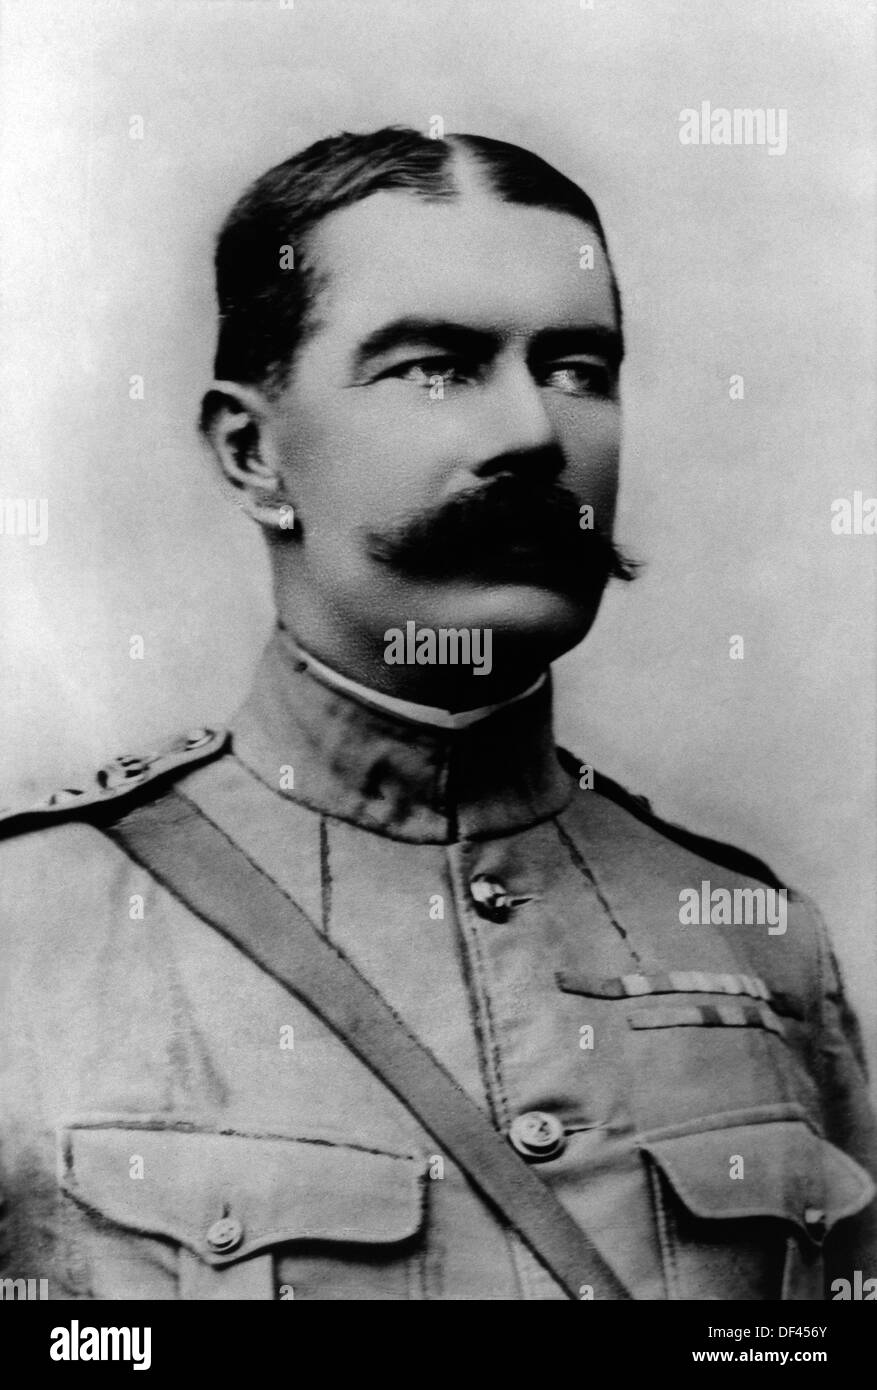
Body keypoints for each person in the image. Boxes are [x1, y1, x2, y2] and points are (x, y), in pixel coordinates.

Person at [1, 127, 874, 1301]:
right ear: (253, 452)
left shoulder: (759, 940)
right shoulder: (30, 935)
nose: (533, 434)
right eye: (434, 365)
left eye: (576, 367)